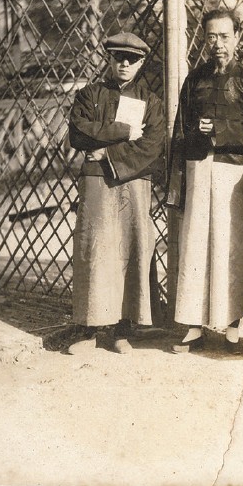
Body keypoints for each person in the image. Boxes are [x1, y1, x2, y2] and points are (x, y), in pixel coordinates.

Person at [167, 9, 243, 353]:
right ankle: (193, 326)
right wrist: (192, 143)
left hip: (233, 173)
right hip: (198, 169)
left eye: (225, 36)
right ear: (204, 39)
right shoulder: (194, 79)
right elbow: (180, 129)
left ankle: (231, 326)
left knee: (231, 246)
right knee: (195, 244)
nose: (218, 44)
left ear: (237, 38)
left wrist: (221, 131)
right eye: (212, 36)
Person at [66, 32, 165, 353]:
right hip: (97, 182)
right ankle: (90, 331)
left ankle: (122, 330)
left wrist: (105, 153)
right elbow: (78, 133)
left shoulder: (151, 102)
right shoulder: (89, 95)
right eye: (118, 57)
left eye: (132, 59)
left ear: (141, 62)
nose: (124, 63)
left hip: (134, 182)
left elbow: (151, 146)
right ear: (109, 58)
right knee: (95, 250)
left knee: (129, 249)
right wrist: (122, 131)